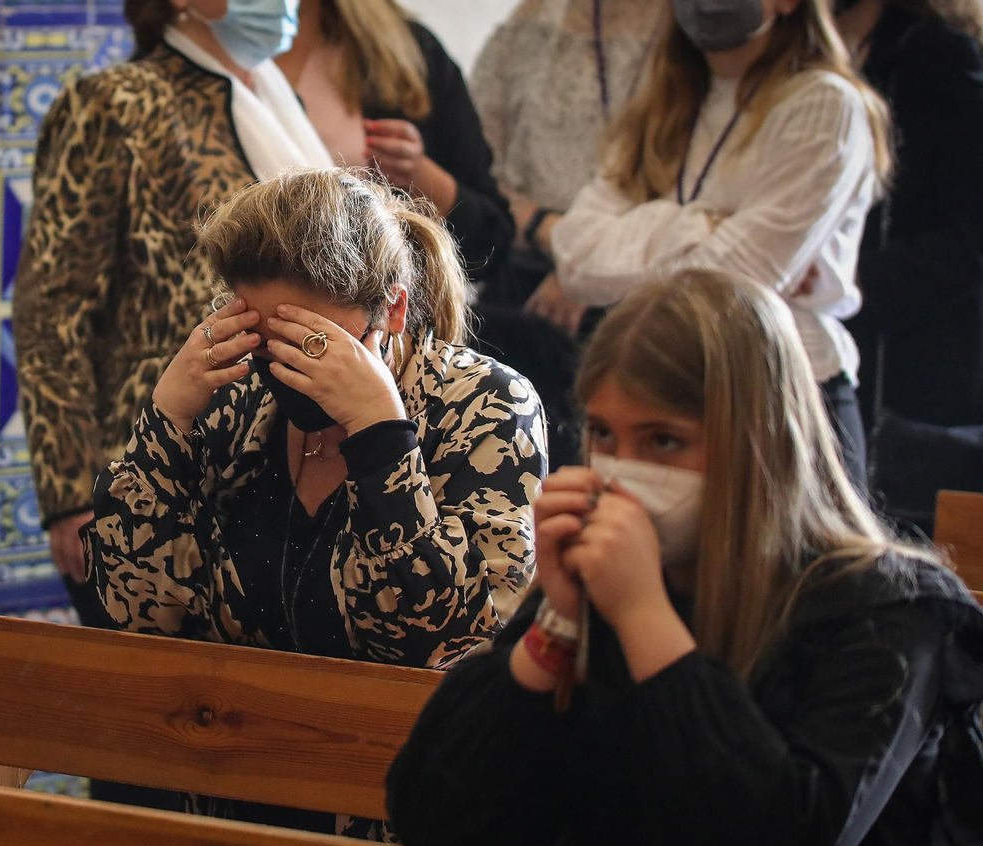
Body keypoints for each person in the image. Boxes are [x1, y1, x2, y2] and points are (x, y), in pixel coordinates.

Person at [386, 269, 983, 846]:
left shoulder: (890, 609)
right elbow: (432, 818)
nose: (623, 470)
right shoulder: (598, 576)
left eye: (663, 441)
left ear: (759, 444)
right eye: (605, 436)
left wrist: (643, 617)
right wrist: (556, 623)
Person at [85, 168, 546, 834]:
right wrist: (164, 424)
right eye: (266, 342)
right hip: (229, 811)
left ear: (390, 309)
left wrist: (381, 439)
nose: (287, 373)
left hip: (404, 819)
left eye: (313, 345)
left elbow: (456, 646)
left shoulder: (484, 407)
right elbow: (139, 612)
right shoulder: (237, 401)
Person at [15, 0, 331, 628]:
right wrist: (71, 496)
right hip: (154, 470)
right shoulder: (116, 104)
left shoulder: (276, 98)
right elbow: (51, 309)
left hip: (268, 466)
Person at [547, 0, 892, 489]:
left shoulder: (824, 104)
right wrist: (701, 224)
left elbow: (737, 281)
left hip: (785, 394)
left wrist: (640, 230)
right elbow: (576, 261)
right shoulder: (664, 105)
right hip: (664, 396)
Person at [837, 0, 983, 529]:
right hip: (813, 352)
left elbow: (971, 241)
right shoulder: (777, 56)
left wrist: (852, 280)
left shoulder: (935, 56)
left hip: (908, 381)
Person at [276, 0, 513, 280]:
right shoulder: (220, 66)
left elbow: (490, 241)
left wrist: (419, 176)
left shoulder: (410, 55)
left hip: (384, 303)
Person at [470, 0, 662, 312]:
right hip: (520, 259)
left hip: (639, 276)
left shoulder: (691, 26)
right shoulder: (532, 19)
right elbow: (478, 167)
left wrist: (587, 270)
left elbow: (691, 182)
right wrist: (540, 227)